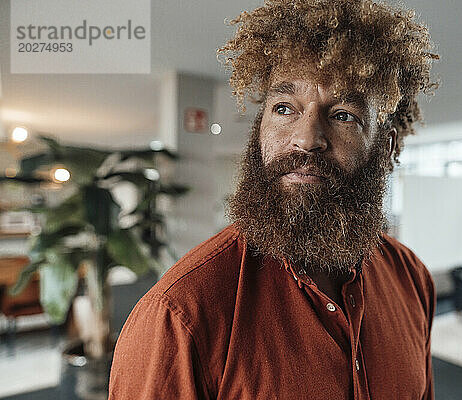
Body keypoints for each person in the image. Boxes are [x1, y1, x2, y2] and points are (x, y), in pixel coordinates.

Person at [108, 0, 438, 399]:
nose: (305, 137)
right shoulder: (181, 315)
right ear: (259, 131)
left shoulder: (412, 279)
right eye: (284, 108)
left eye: (344, 114)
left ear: (384, 147)